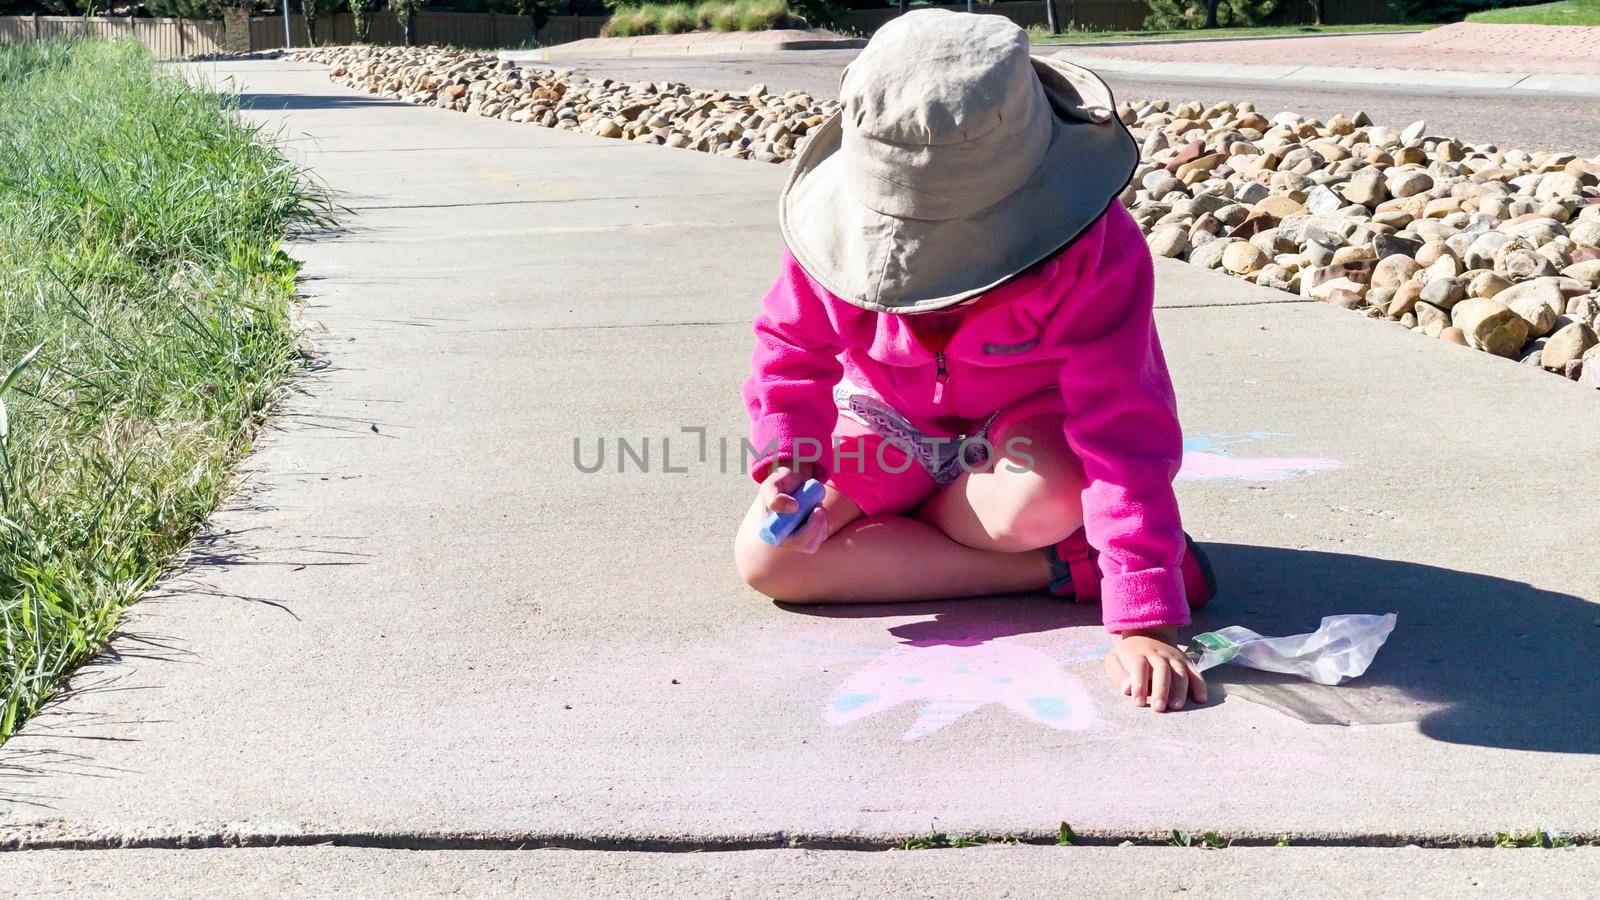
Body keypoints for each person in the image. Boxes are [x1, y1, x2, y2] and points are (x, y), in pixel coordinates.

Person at [734, 10, 1216, 714]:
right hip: (889, 420)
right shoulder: (832, 238)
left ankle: (952, 539)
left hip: (1024, 423)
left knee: (1041, 499)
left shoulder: (1094, 253)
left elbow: (1124, 432)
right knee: (771, 560)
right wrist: (794, 465)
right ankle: (1055, 569)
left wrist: (1146, 616)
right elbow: (789, 352)